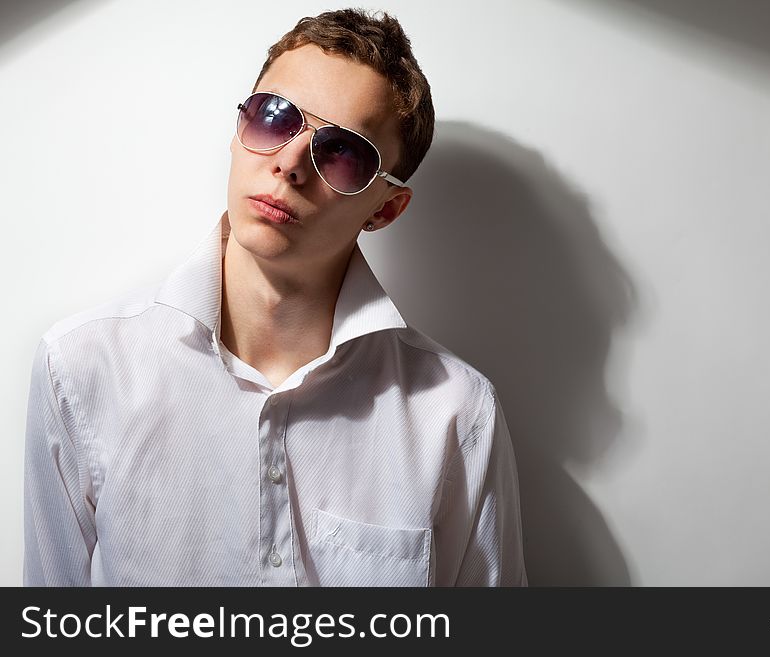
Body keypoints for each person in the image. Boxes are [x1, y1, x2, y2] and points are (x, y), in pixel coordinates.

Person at [23, 8, 527, 587]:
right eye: (273, 117)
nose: (289, 163)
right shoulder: (84, 367)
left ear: (384, 208)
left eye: (342, 153)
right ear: (238, 131)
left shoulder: (454, 414)